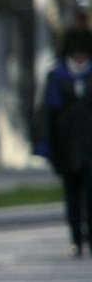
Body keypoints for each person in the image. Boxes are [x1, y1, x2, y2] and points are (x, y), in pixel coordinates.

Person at [34, 27, 92, 257]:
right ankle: (76, 237)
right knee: (72, 194)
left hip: (88, 145)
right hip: (66, 146)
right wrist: (45, 143)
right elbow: (47, 113)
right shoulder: (57, 76)